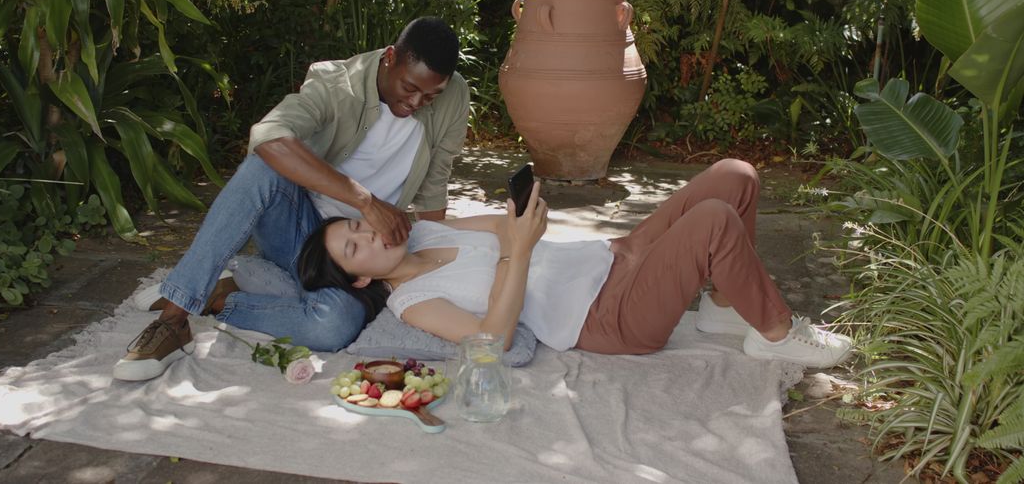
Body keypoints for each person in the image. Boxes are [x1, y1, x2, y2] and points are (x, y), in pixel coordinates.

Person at [113, 17, 471, 381]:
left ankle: (217, 294)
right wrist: (366, 202)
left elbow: (433, 184)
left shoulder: (453, 94)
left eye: (429, 96)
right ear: (391, 58)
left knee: (334, 325)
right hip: (301, 232)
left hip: (367, 256)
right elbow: (268, 138)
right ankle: (174, 320)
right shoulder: (337, 84)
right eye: (410, 88)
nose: (416, 102)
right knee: (261, 170)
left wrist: (428, 266)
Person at [299, 159, 853, 368]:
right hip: (606, 319)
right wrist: (514, 253)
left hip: (608, 262)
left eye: (358, 225)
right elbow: (490, 338)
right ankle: (775, 335)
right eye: (355, 247)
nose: (368, 234)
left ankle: (724, 308)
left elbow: (500, 224)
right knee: (712, 219)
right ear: (361, 278)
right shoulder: (413, 303)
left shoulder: (425, 228)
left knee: (736, 177)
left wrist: (516, 235)